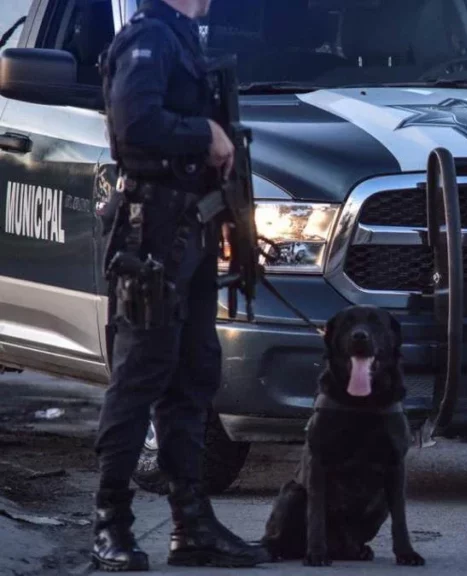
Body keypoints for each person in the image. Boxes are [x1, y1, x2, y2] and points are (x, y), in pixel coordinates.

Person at [91, 0, 269, 571]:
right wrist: (205, 135)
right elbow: (134, 122)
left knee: (193, 375)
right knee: (140, 376)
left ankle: (191, 525)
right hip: (152, 238)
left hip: (189, 231)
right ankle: (109, 523)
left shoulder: (182, 36)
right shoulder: (149, 38)